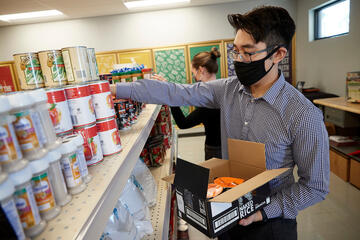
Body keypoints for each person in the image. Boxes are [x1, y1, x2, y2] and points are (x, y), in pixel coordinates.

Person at [111, 6, 330, 239]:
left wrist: (262, 213)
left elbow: (315, 186)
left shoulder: (303, 115)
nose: (240, 60)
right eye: (236, 51)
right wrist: (113, 89)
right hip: (227, 212)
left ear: (278, 55)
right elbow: (177, 92)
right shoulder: (227, 90)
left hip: (271, 225)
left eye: (248, 52)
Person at [154, 47, 222, 160]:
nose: (193, 76)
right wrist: (169, 88)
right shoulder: (221, 89)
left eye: (193, 72)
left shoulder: (208, 101)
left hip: (215, 150)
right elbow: (186, 92)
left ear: (201, 70)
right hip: (229, 145)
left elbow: (183, 123)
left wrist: (170, 96)